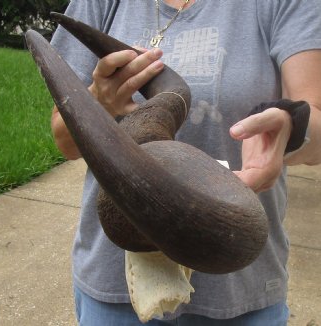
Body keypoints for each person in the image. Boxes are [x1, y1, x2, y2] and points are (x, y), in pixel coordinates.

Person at [50, 0, 321, 325]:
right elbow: (65, 142)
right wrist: (98, 102)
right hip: (114, 292)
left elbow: (316, 124)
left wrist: (292, 126)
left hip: (239, 289)